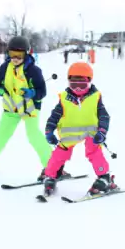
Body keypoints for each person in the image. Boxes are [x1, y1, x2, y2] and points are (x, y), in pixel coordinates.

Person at [0, 36, 68, 182]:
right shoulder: (4, 68)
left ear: (27, 54)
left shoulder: (34, 71)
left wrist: (32, 93)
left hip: (30, 110)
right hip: (10, 110)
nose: (15, 58)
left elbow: (42, 92)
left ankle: (53, 168)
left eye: (19, 55)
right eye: (12, 54)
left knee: (34, 136)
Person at [42, 62, 117, 196]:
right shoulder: (64, 98)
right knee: (59, 154)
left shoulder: (95, 98)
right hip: (69, 134)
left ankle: (104, 177)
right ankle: (50, 176)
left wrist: (102, 131)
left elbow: (104, 116)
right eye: (73, 84)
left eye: (82, 85)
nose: (77, 89)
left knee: (94, 152)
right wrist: (49, 131)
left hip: (91, 133)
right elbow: (54, 116)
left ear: (89, 82)